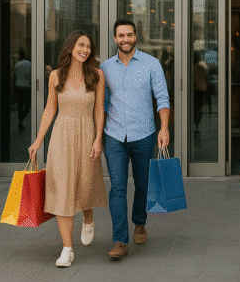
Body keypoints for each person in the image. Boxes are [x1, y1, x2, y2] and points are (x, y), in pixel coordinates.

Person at [28, 31, 108, 268]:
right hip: (61, 136)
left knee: (85, 183)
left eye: (88, 47)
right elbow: (49, 110)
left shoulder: (97, 75)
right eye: (81, 45)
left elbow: (99, 110)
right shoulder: (56, 76)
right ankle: (67, 249)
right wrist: (38, 140)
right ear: (70, 47)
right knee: (63, 189)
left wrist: (98, 139)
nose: (85, 50)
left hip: (86, 134)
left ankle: (88, 218)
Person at [102, 18, 170, 260]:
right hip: (114, 135)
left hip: (144, 134)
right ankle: (120, 241)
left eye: (129, 35)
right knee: (118, 188)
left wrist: (164, 129)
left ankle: (139, 222)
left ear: (135, 37)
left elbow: (162, 98)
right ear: (114, 39)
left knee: (142, 184)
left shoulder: (151, 64)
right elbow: (102, 104)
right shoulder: (105, 68)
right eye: (121, 35)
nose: (126, 39)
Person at [13, 48, 32, 133]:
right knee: (28, 105)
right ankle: (22, 118)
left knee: (20, 106)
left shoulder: (17, 64)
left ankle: (20, 121)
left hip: (18, 87)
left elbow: (15, 76)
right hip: (27, 87)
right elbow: (31, 76)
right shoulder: (29, 64)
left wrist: (14, 87)